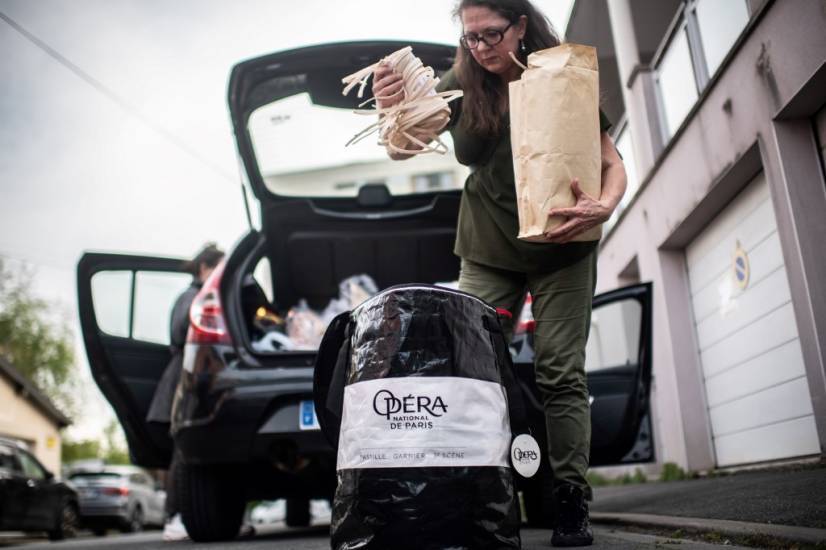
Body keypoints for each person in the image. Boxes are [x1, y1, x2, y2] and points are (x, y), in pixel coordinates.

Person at [372, 1, 627, 546]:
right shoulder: (458, 82)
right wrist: (391, 111)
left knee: (561, 372)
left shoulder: (562, 75)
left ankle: (570, 500)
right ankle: (480, 496)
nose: (481, 48)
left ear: (521, 26)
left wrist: (605, 205)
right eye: (471, 38)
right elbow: (400, 149)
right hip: (489, 248)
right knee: (470, 370)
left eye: (492, 35)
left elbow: (612, 162)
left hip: (564, 246)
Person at [146, 243, 225, 542]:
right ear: (205, 269)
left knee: (202, 450)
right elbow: (181, 331)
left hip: (199, 378)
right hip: (183, 379)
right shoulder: (191, 296)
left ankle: (214, 517)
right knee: (184, 451)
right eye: (218, 268)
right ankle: (175, 517)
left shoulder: (204, 294)